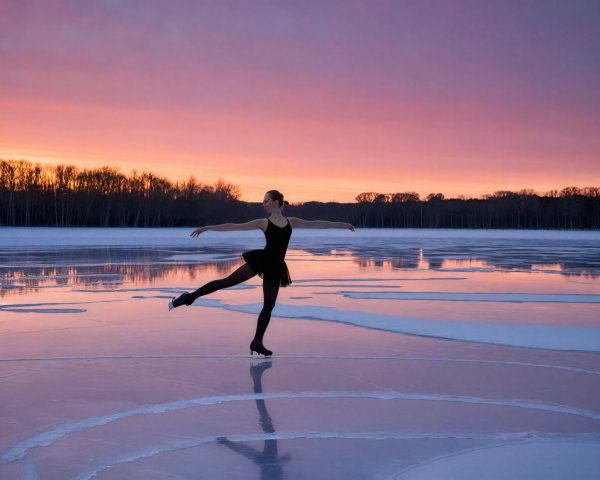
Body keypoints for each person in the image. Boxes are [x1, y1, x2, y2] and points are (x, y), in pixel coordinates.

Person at [168, 189, 354, 357]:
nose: (263, 204)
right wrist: (208, 227)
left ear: (275, 202)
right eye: (263, 201)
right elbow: (234, 226)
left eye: (266, 201)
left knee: (269, 305)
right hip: (262, 260)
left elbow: (316, 224)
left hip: (276, 267)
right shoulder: (263, 223)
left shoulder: (292, 222)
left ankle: (257, 342)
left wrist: (341, 224)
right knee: (226, 282)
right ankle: (189, 297)